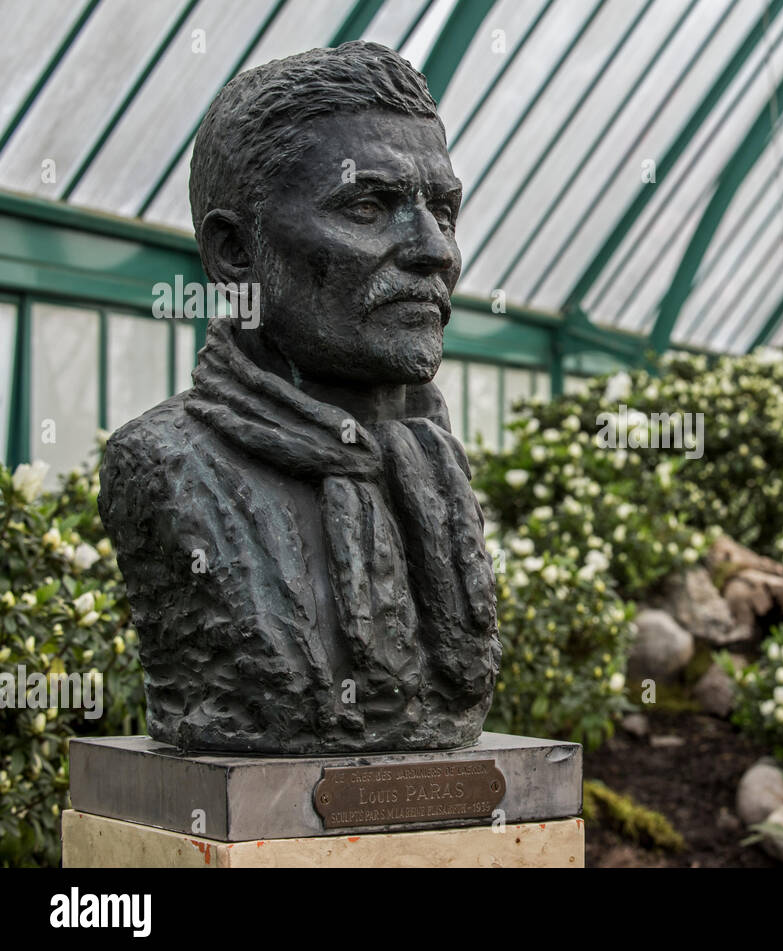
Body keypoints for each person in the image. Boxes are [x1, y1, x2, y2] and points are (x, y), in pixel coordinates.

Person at [99, 42, 500, 754]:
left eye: (444, 209)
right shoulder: (165, 467)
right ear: (235, 253)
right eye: (370, 207)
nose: (434, 249)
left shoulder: (435, 460)